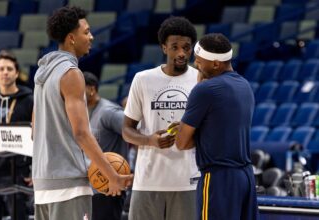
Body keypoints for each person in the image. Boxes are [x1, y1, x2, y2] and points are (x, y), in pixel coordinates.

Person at [32, 6, 133, 220]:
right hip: (69, 185)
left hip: (42, 184)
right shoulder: (71, 73)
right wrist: (110, 174)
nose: (91, 37)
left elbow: (34, 131)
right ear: (71, 38)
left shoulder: (42, 74)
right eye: (86, 32)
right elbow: (81, 133)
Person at [174, 33, 259, 220]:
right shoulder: (244, 85)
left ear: (215, 64)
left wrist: (197, 88)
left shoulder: (205, 90)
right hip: (245, 177)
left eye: (199, 60)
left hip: (219, 178)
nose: (196, 64)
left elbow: (181, 143)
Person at [122, 16, 198, 220]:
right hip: (147, 181)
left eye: (186, 47)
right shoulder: (143, 79)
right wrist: (149, 140)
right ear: (164, 48)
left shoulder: (201, 80)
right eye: (175, 47)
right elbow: (126, 130)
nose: (181, 53)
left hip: (188, 181)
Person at [0, 50, 33, 220]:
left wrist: (36, 169)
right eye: (1, 69)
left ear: (16, 73)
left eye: (9, 68)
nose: (5, 72)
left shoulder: (29, 100)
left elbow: (39, 137)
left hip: (19, 173)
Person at [83, 71, 128, 220]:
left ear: (91, 89)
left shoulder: (109, 112)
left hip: (109, 188)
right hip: (90, 187)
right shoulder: (81, 113)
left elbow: (135, 133)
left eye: (78, 89)